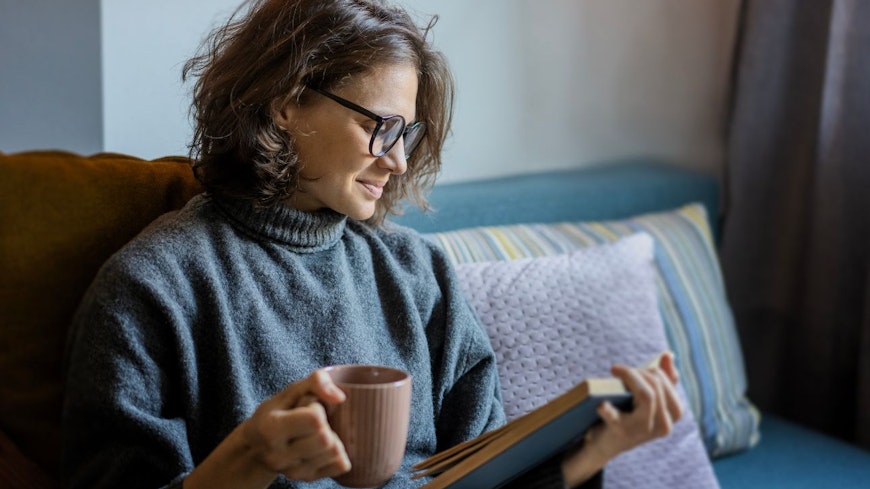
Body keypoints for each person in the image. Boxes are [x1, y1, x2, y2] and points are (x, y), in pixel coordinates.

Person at [61, 0, 683, 488]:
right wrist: (250, 455)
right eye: (378, 127)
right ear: (284, 103)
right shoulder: (152, 287)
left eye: (406, 135)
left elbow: (475, 476)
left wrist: (588, 453)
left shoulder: (419, 272)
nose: (396, 162)